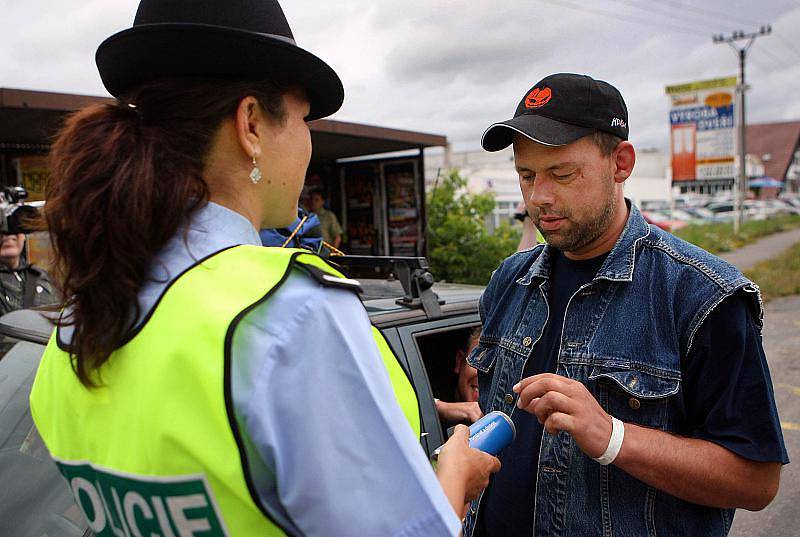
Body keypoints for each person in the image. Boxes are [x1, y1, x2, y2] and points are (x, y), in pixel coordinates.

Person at [28, 2, 499, 536]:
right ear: (250, 123)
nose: (306, 143)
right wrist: (453, 481)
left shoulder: (75, 326)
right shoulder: (289, 311)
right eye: (303, 119)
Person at [463, 73, 788, 537]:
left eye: (561, 174)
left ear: (621, 162)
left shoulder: (702, 296)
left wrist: (613, 436)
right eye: (527, 175)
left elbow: (756, 480)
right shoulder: (508, 282)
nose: (539, 197)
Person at [435, 327, 483, 426]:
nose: (485, 375)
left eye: (497, 367)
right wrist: (443, 409)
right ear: (459, 361)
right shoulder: (425, 385)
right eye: (479, 361)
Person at [0, 231, 56, 314]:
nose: (9, 234)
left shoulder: (41, 276)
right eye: (2, 229)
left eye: (14, 227)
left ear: (24, 235)